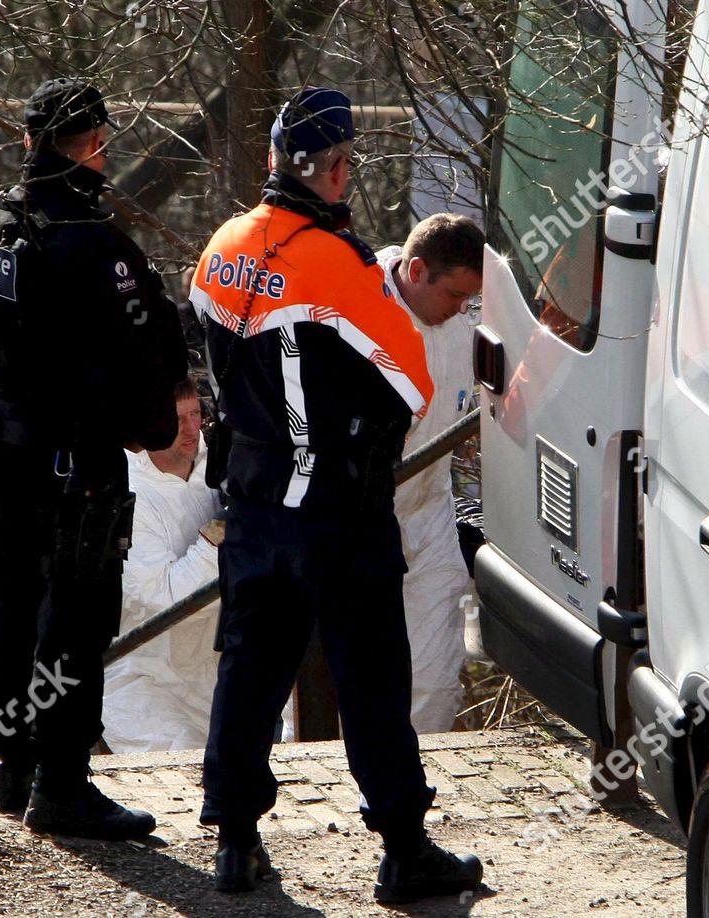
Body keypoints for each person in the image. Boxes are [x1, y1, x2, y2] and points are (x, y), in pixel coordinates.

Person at [190, 86, 483, 903]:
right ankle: (402, 847)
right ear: (331, 168)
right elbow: (411, 383)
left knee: (248, 669)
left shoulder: (221, 247)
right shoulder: (340, 265)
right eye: (348, 164)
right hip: (337, 512)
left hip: (253, 499)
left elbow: (211, 351)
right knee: (373, 677)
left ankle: (237, 841)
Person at [0, 78, 187, 840]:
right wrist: (152, 429)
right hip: (74, 464)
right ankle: (62, 786)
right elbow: (146, 367)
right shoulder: (94, 244)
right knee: (77, 619)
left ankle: (12, 766)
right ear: (93, 144)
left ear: (28, 141)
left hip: (6, 448)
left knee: (14, 603)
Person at [377, 214, 484, 733]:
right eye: (455, 296)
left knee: (435, 672)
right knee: (347, 668)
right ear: (416, 272)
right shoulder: (362, 311)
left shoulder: (460, 325)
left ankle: (418, 781)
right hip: (362, 517)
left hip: (431, 509)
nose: (462, 307)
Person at [102, 376, 223, 753]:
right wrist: (216, 542)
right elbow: (164, 599)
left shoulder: (218, 460)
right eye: (178, 419)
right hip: (147, 677)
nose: (192, 430)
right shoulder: (126, 493)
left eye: (196, 414)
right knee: (177, 775)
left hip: (221, 669)